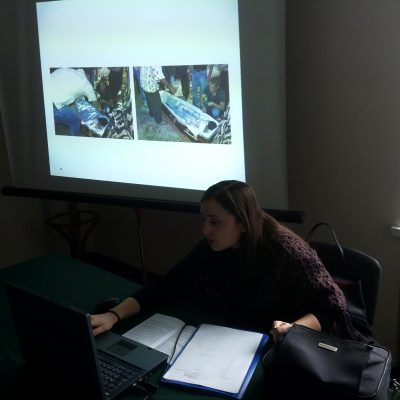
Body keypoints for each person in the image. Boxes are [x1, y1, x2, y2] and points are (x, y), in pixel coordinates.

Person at [91, 180, 364, 344]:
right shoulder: (213, 246)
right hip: (241, 337)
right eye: (204, 220)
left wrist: (294, 329)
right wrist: (114, 314)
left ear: (242, 223)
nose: (205, 230)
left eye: (215, 222)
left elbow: (332, 309)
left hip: (292, 348)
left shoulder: (287, 250)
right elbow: (170, 282)